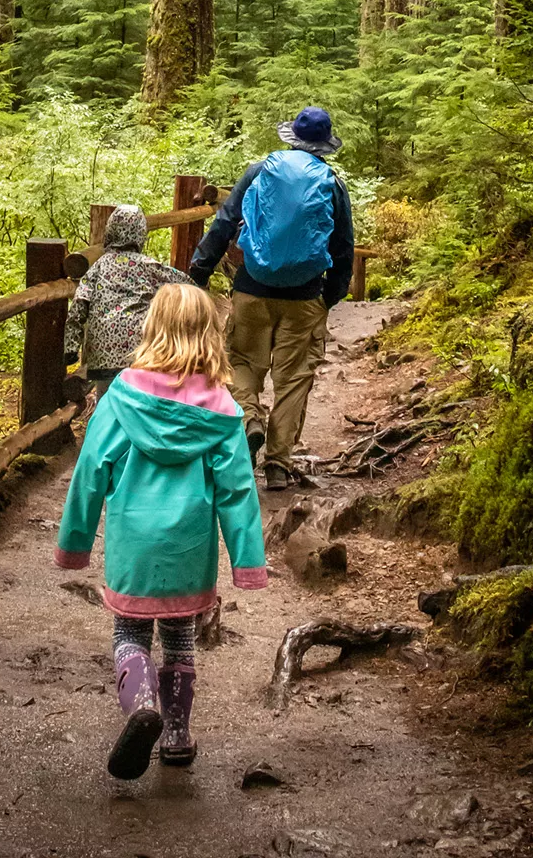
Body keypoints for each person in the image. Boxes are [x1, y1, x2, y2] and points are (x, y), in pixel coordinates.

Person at [53, 283, 267, 780]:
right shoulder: (222, 408)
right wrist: (247, 563)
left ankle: (142, 706)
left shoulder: (123, 394)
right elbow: (237, 491)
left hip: (134, 543)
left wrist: (75, 543)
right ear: (210, 334)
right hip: (190, 546)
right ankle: (174, 735)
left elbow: (91, 469)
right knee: (179, 639)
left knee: (129, 631)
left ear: (153, 328)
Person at [189, 105, 354, 492]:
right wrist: (329, 296)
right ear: (324, 146)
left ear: (291, 136)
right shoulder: (332, 182)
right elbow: (344, 246)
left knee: (242, 361)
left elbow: (225, 222)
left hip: (252, 289)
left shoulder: (259, 171)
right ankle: (278, 464)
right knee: (294, 379)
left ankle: (249, 420)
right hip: (305, 296)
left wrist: (199, 270)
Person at [63, 204, 188, 398]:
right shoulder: (148, 266)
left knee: (106, 401)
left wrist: (71, 347)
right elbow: (184, 283)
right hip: (138, 354)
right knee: (137, 401)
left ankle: (105, 426)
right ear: (140, 234)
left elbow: (80, 303)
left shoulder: (98, 266)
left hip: (102, 354)